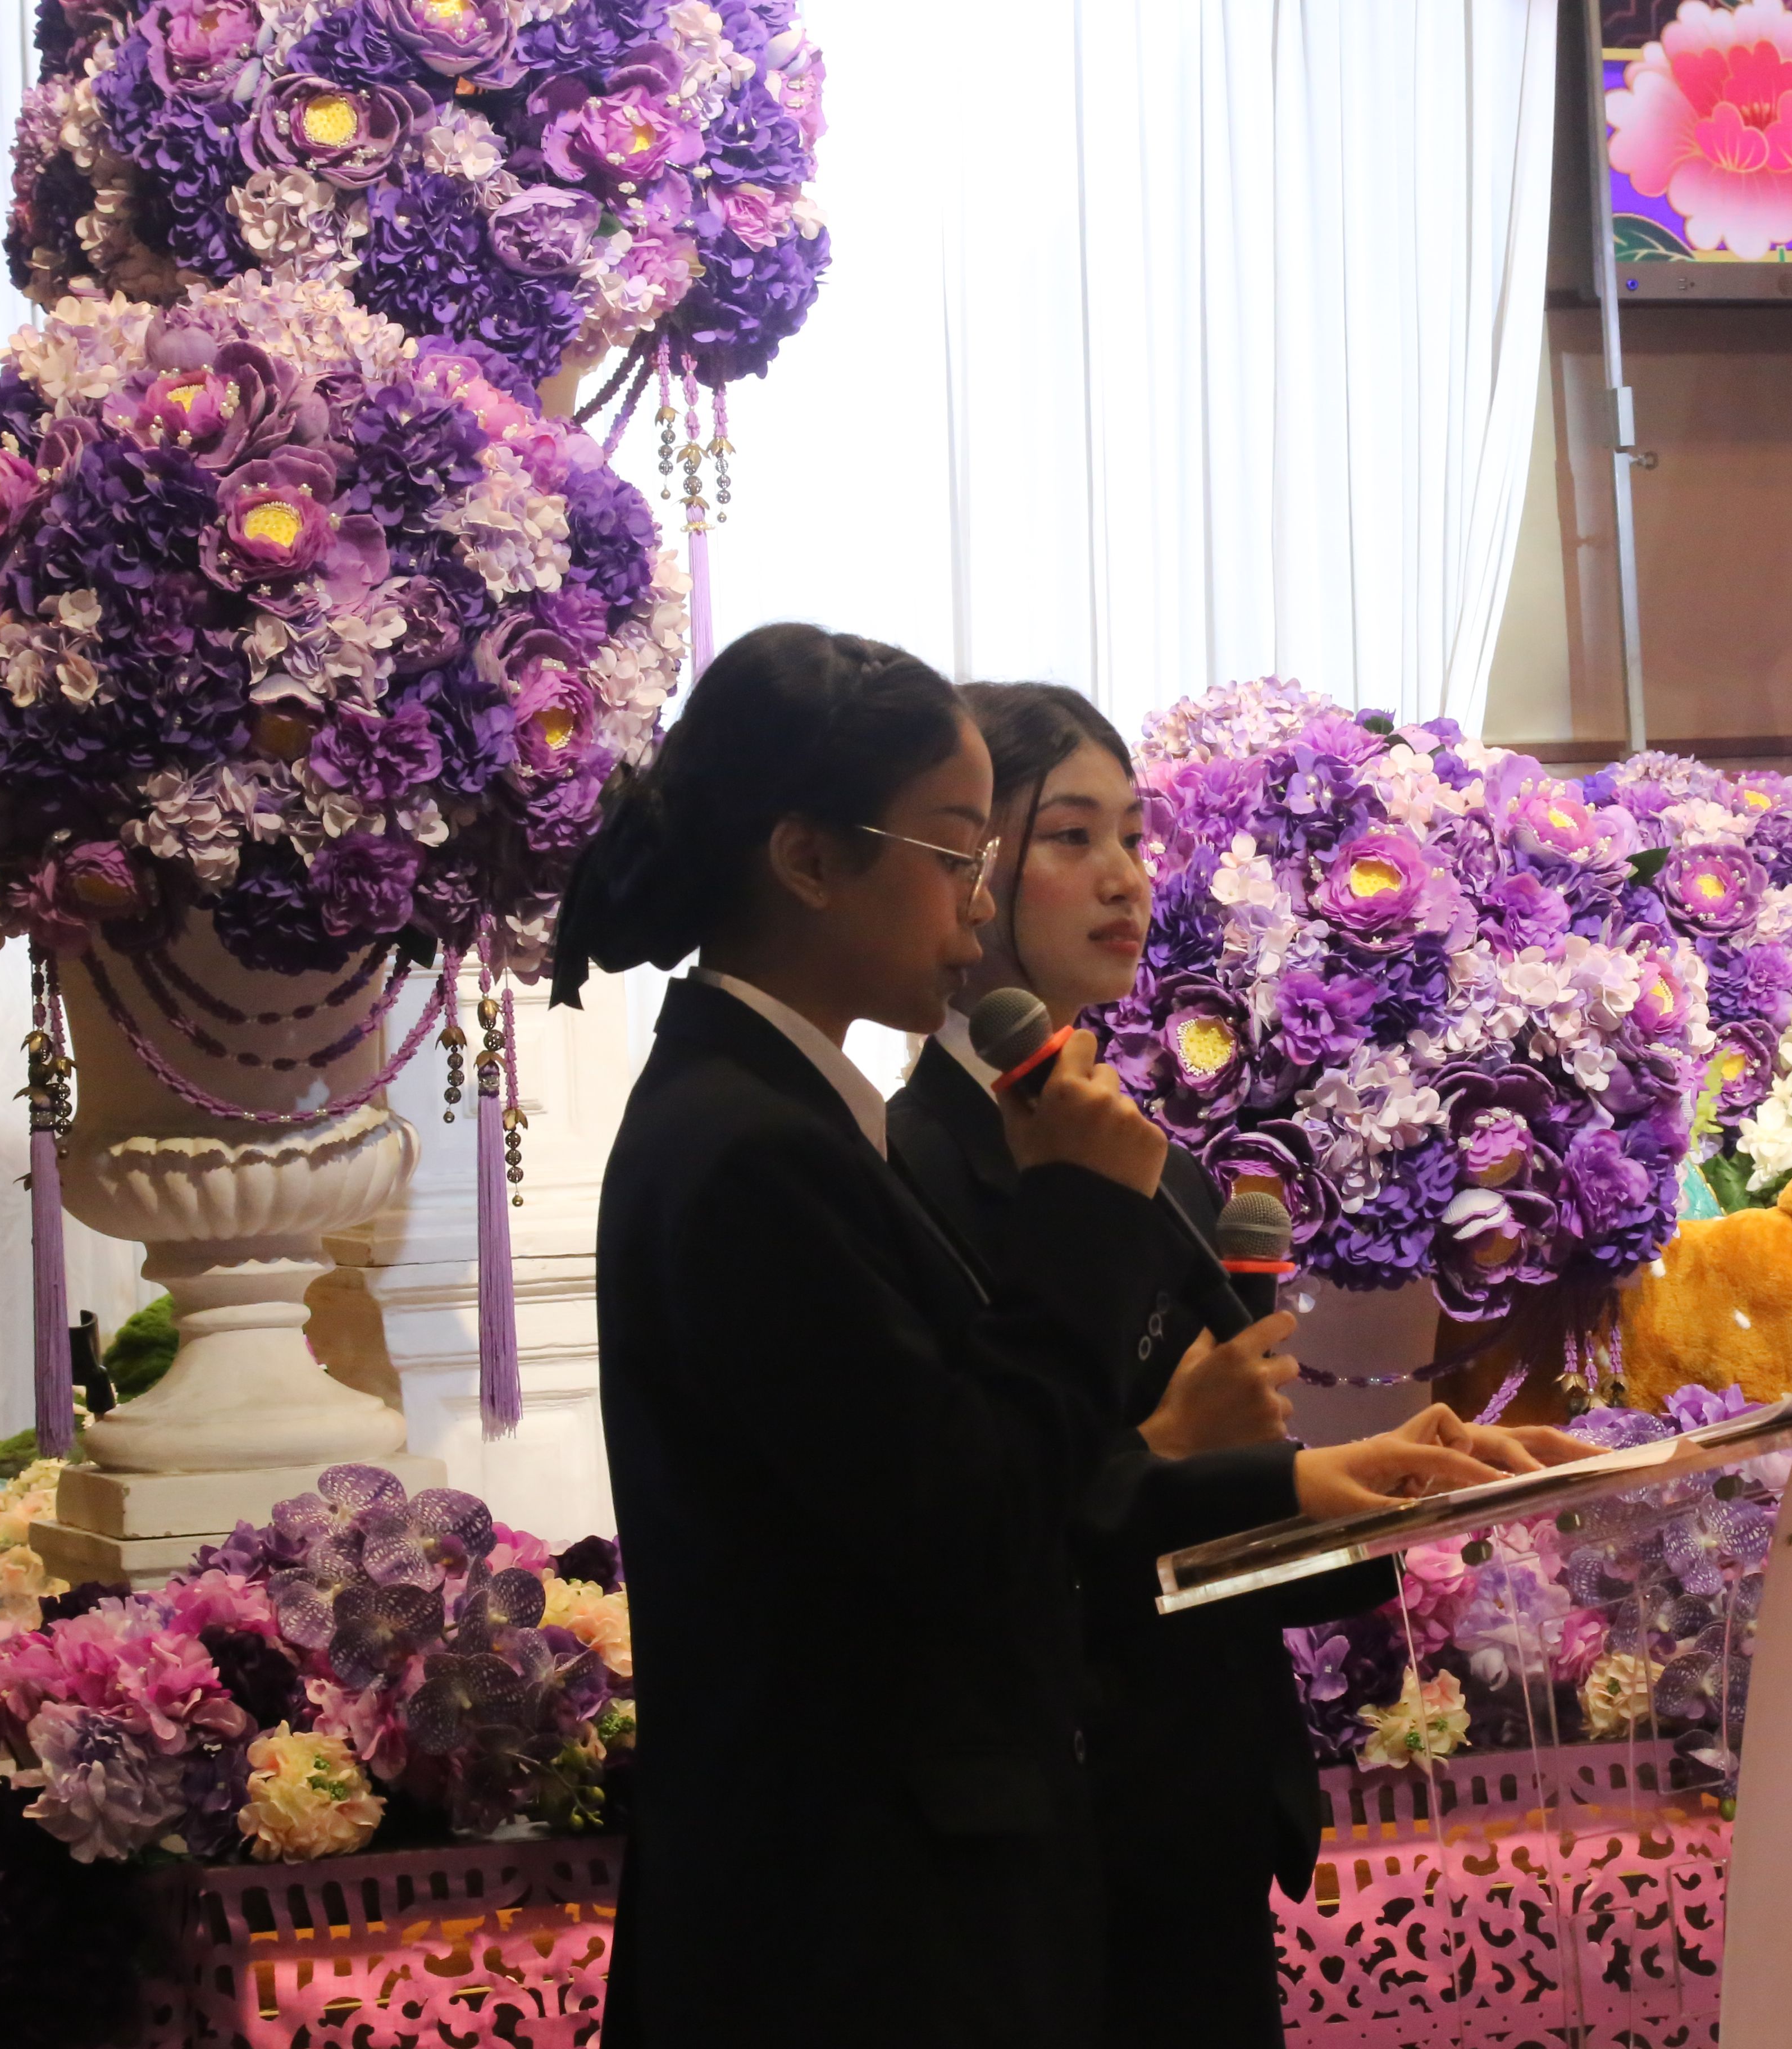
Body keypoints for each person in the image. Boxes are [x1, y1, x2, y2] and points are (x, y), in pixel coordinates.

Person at [561, 630, 1510, 2049]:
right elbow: (970, 1513)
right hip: (848, 1923)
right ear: (809, 859)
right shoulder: (751, 1148)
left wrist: (1319, 1486)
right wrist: (1081, 1211)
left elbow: (976, 1476)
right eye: (958, 850)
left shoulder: (788, 1119)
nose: (976, 895)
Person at [888, 682, 1588, 2047]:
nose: (1123, 877)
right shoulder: (917, 1166)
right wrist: (1176, 1447)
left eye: (1135, 837)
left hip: (1197, 1788)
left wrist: (1401, 1479)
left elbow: (1221, 1474)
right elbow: (995, 1509)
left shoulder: (1152, 1163)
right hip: (1068, 1817)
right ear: (965, 870)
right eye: (1071, 837)